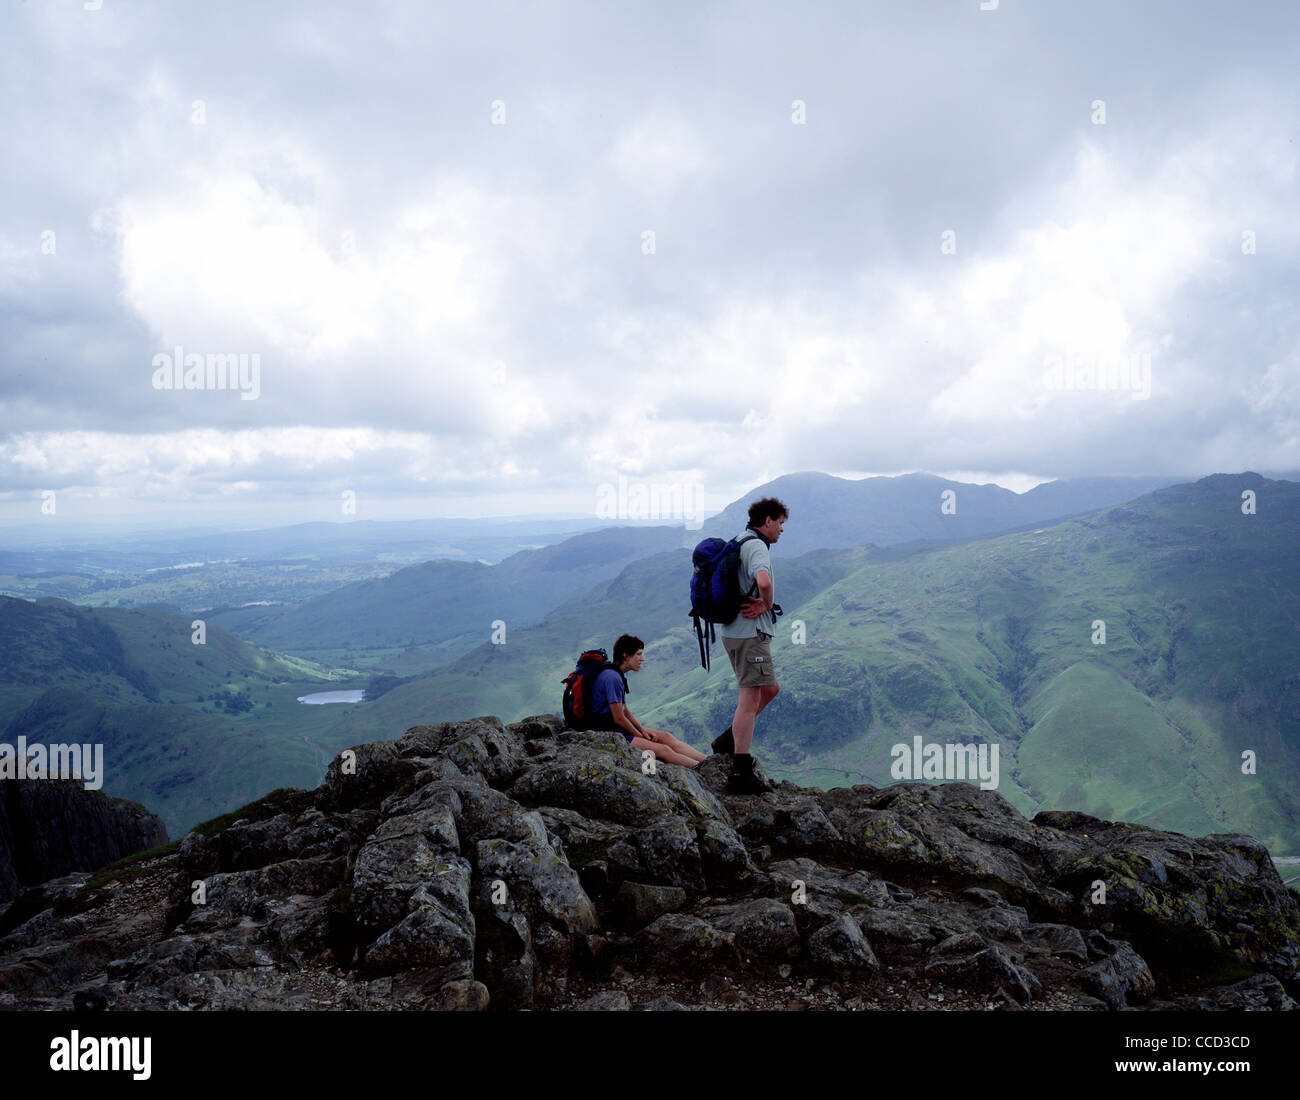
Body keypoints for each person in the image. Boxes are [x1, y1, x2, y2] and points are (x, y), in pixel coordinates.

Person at [713, 497, 787, 793]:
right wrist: (766, 605)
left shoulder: (740, 539)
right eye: (780, 523)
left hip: (734, 631)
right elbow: (764, 583)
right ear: (767, 520)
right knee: (749, 700)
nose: (782, 530)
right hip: (749, 633)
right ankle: (741, 772)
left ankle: (727, 740)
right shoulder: (756, 546)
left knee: (770, 689)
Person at [590, 634, 707, 768]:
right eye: (638, 655)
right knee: (663, 750)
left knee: (666, 737)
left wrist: (642, 730)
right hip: (609, 732)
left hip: (616, 728)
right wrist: (639, 736)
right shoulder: (613, 678)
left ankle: (709, 761)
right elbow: (619, 718)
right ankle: (702, 771)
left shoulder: (615, 673)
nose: (642, 659)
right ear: (625, 655)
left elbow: (625, 710)